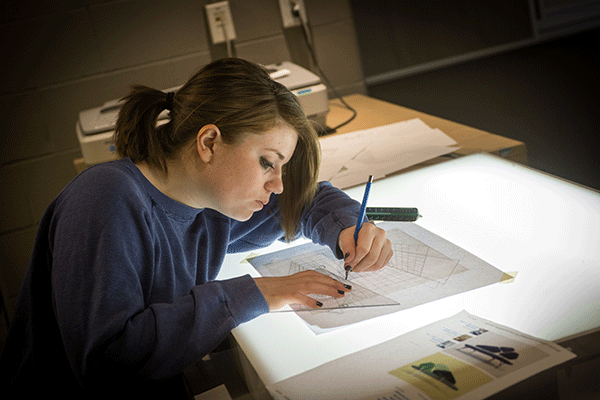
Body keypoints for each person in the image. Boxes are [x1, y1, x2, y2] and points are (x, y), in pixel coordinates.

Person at [0, 58, 392, 398]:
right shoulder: (105, 200)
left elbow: (305, 201)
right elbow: (107, 363)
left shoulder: (209, 203)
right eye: (266, 163)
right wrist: (252, 294)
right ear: (209, 142)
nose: (278, 185)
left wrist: (348, 227)